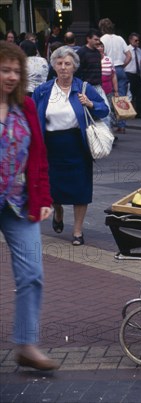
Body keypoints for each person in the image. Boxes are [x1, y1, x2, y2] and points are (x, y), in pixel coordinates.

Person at [0, 40, 58, 371]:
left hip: (19, 202)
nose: (11, 76)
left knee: (32, 273)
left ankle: (26, 344)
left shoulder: (27, 107)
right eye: (4, 70)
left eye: (15, 71)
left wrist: (44, 197)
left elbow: (38, 155)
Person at [32, 46, 109, 246]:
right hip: (52, 146)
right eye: (59, 63)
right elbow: (32, 116)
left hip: (77, 145)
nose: (64, 67)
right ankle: (58, 212)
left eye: (68, 64)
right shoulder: (43, 90)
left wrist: (91, 104)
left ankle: (77, 231)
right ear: (54, 66)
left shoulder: (84, 88)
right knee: (53, 189)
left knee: (80, 190)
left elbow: (104, 110)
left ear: (74, 67)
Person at [99, 18, 131, 134]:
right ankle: (122, 125)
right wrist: (123, 65)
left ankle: (110, 124)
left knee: (109, 97)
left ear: (102, 28)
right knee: (121, 97)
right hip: (120, 68)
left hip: (108, 70)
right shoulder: (120, 38)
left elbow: (101, 55)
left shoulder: (102, 39)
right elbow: (129, 55)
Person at [76, 29, 112, 129]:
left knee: (105, 110)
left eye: (98, 39)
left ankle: (105, 135)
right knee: (90, 111)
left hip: (97, 86)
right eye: (96, 39)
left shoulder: (97, 53)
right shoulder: (81, 52)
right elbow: (78, 70)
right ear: (88, 39)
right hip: (86, 87)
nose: (98, 42)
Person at [98, 41, 119, 134]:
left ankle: (110, 132)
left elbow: (113, 75)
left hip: (108, 89)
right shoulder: (94, 60)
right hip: (98, 89)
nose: (100, 48)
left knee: (109, 111)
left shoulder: (109, 60)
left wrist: (116, 90)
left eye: (102, 46)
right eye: (98, 46)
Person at [124, 33, 141, 118]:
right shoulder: (126, 50)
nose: (137, 42)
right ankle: (130, 113)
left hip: (138, 74)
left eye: (138, 40)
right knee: (130, 94)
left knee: (140, 94)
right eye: (135, 40)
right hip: (129, 73)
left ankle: (139, 113)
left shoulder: (139, 50)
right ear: (130, 40)